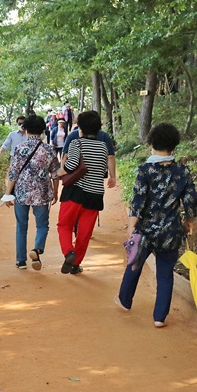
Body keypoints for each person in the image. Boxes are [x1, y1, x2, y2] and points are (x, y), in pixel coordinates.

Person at [115, 123, 197, 327]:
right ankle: (159, 317)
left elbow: (138, 200)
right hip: (171, 230)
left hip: (146, 229)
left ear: (152, 142)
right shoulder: (182, 170)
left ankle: (125, 301)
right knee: (165, 273)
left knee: (134, 263)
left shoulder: (145, 170)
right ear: (174, 145)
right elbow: (191, 199)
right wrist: (189, 220)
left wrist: (131, 225)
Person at [56, 110, 117, 274]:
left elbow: (72, 164)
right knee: (84, 232)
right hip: (95, 194)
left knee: (64, 225)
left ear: (80, 128)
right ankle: (75, 264)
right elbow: (103, 166)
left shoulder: (77, 143)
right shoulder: (103, 147)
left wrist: (61, 171)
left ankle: (69, 252)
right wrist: (113, 177)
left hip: (74, 193)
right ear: (98, 129)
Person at [3, 115, 61, 269]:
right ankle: (36, 249)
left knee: (21, 226)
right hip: (41, 195)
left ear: (26, 130)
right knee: (42, 226)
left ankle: (21, 261)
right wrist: (55, 192)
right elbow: (56, 174)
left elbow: (13, 173)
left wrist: (8, 194)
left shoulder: (19, 149)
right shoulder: (49, 149)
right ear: (43, 130)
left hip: (21, 194)